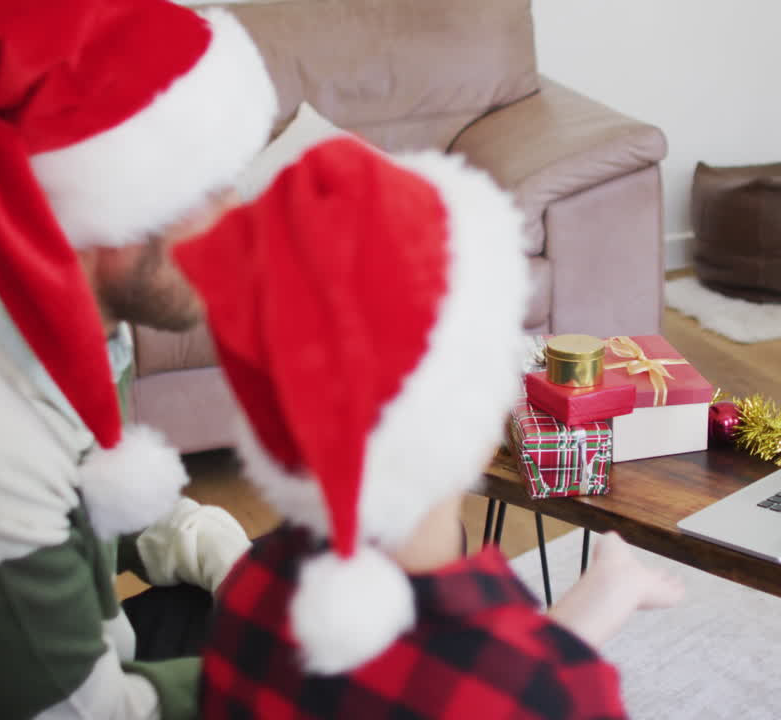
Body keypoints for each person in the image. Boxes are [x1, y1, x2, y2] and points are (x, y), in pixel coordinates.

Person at [176, 136, 683, 719]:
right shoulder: (557, 694)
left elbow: (475, 670)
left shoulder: (249, 593)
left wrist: (596, 605)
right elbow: (516, 685)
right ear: (483, 416)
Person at [0, 0, 277, 716]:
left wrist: (232, 562)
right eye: (207, 190)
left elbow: (102, 484)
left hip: (75, 650)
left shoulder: (25, 286)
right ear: (110, 207)